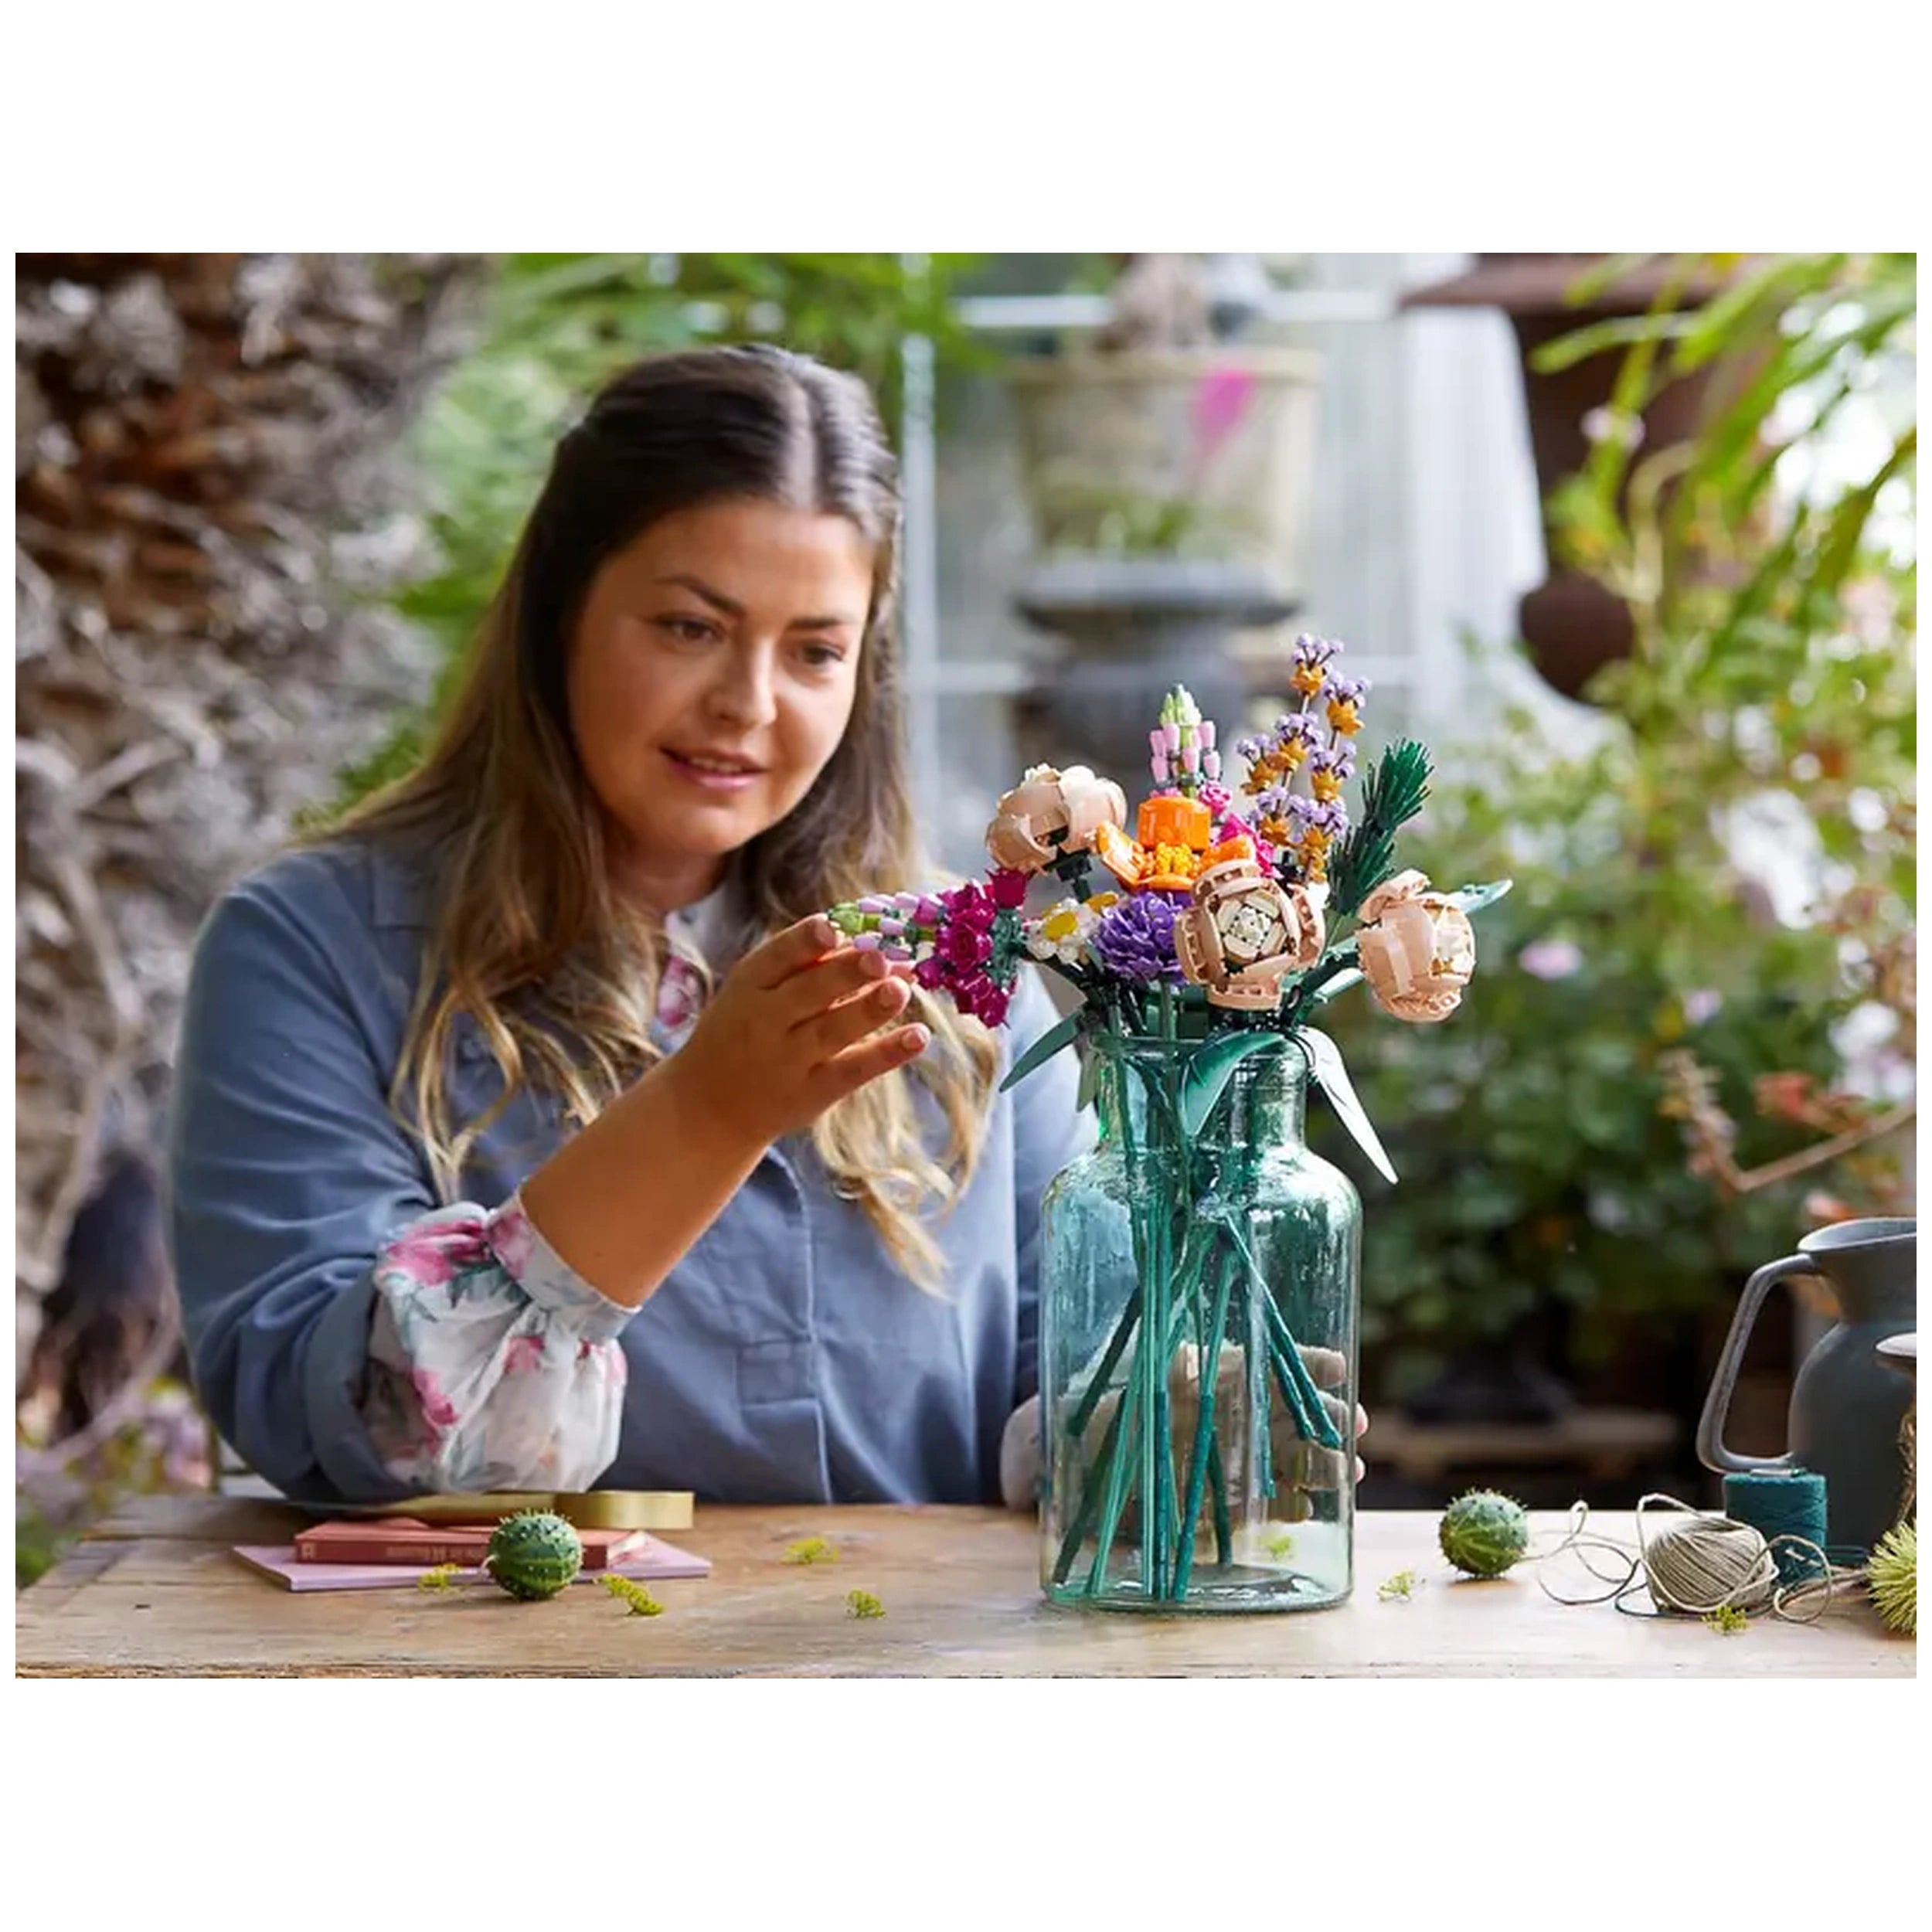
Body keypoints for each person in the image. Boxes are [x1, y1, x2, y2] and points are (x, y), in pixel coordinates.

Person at [168, 342, 1362, 1513]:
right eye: (689, 627)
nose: (748, 704)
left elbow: (1057, 1388)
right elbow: (340, 1420)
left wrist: (1172, 1423)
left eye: (815, 651)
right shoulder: (315, 948)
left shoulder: (962, 972)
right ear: (557, 615)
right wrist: (706, 1113)